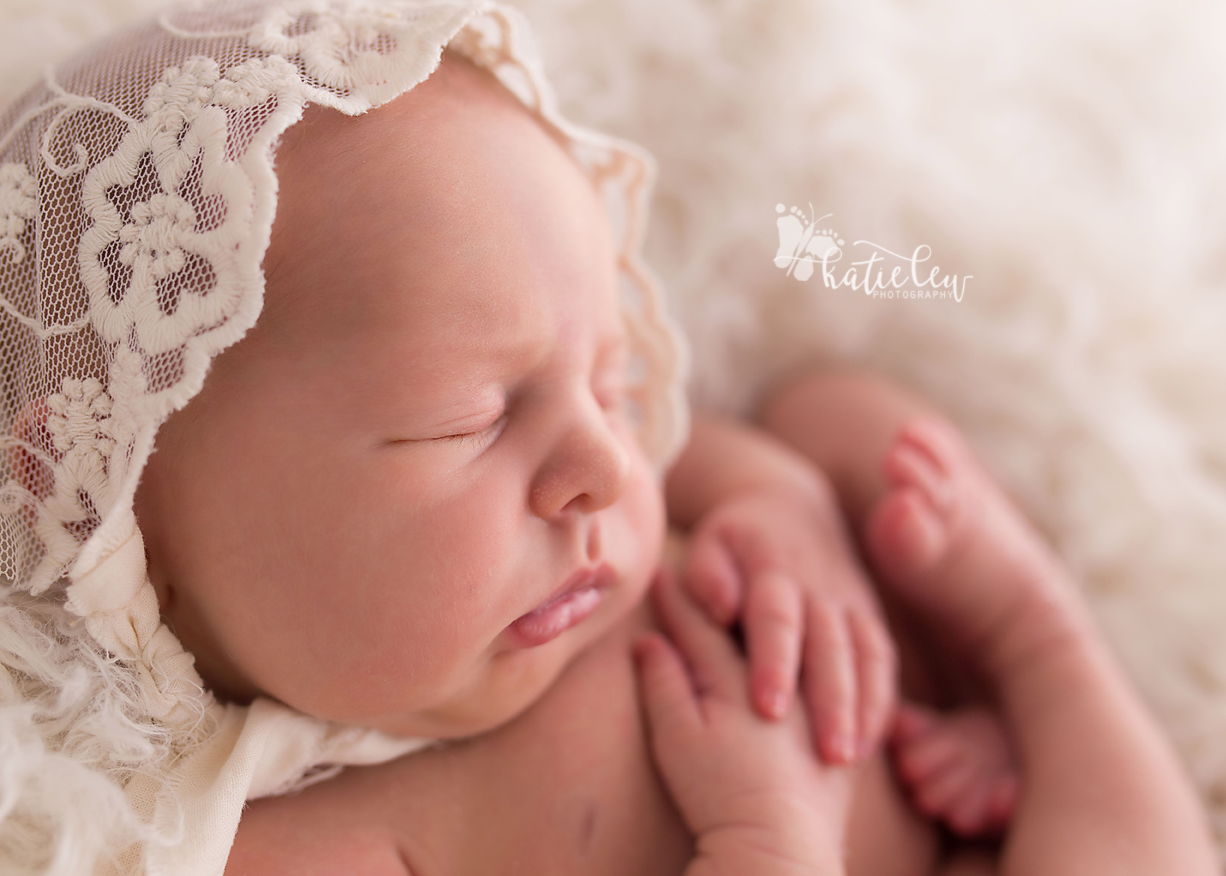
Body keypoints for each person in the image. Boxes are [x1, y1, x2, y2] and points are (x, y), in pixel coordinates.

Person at [0, 3, 1216, 874]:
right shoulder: (298, 835)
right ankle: (1037, 656)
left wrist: (787, 513)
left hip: (917, 708)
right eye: (468, 422)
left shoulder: (591, 506)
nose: (604, 465)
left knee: (828, 409)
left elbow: (738, 441)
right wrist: (770, 835)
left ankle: (1026, 634)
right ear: (133, 519)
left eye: (614, 379)